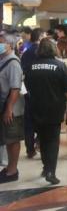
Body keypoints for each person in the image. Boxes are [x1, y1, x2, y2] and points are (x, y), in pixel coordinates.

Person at [24, 38, 67, 185]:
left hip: (36, 107)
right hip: (54, 108)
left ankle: (46, 167)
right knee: (52, 140)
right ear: (54, 49)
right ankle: (51, 171)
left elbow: (26, 86)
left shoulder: (30, 66)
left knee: (42, 138)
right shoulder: (59, 66)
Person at [0, 32, 24, 184]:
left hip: (12, 109)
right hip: (5, 106)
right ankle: (9, 167)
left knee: (13, 138)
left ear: (9, 44)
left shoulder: (13, 63)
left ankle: (12, 171)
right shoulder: (4, 60)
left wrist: (9, 108)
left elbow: (15, 88)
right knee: (8, 139)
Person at [21, 28, 46, 159]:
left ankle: (30, 149)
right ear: (41, 36)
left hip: (29, 91)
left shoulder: (26, 52)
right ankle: (40, 144)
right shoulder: (44, 52)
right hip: (44, 92)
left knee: (29, 121)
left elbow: (23, 73)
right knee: (43, 120)